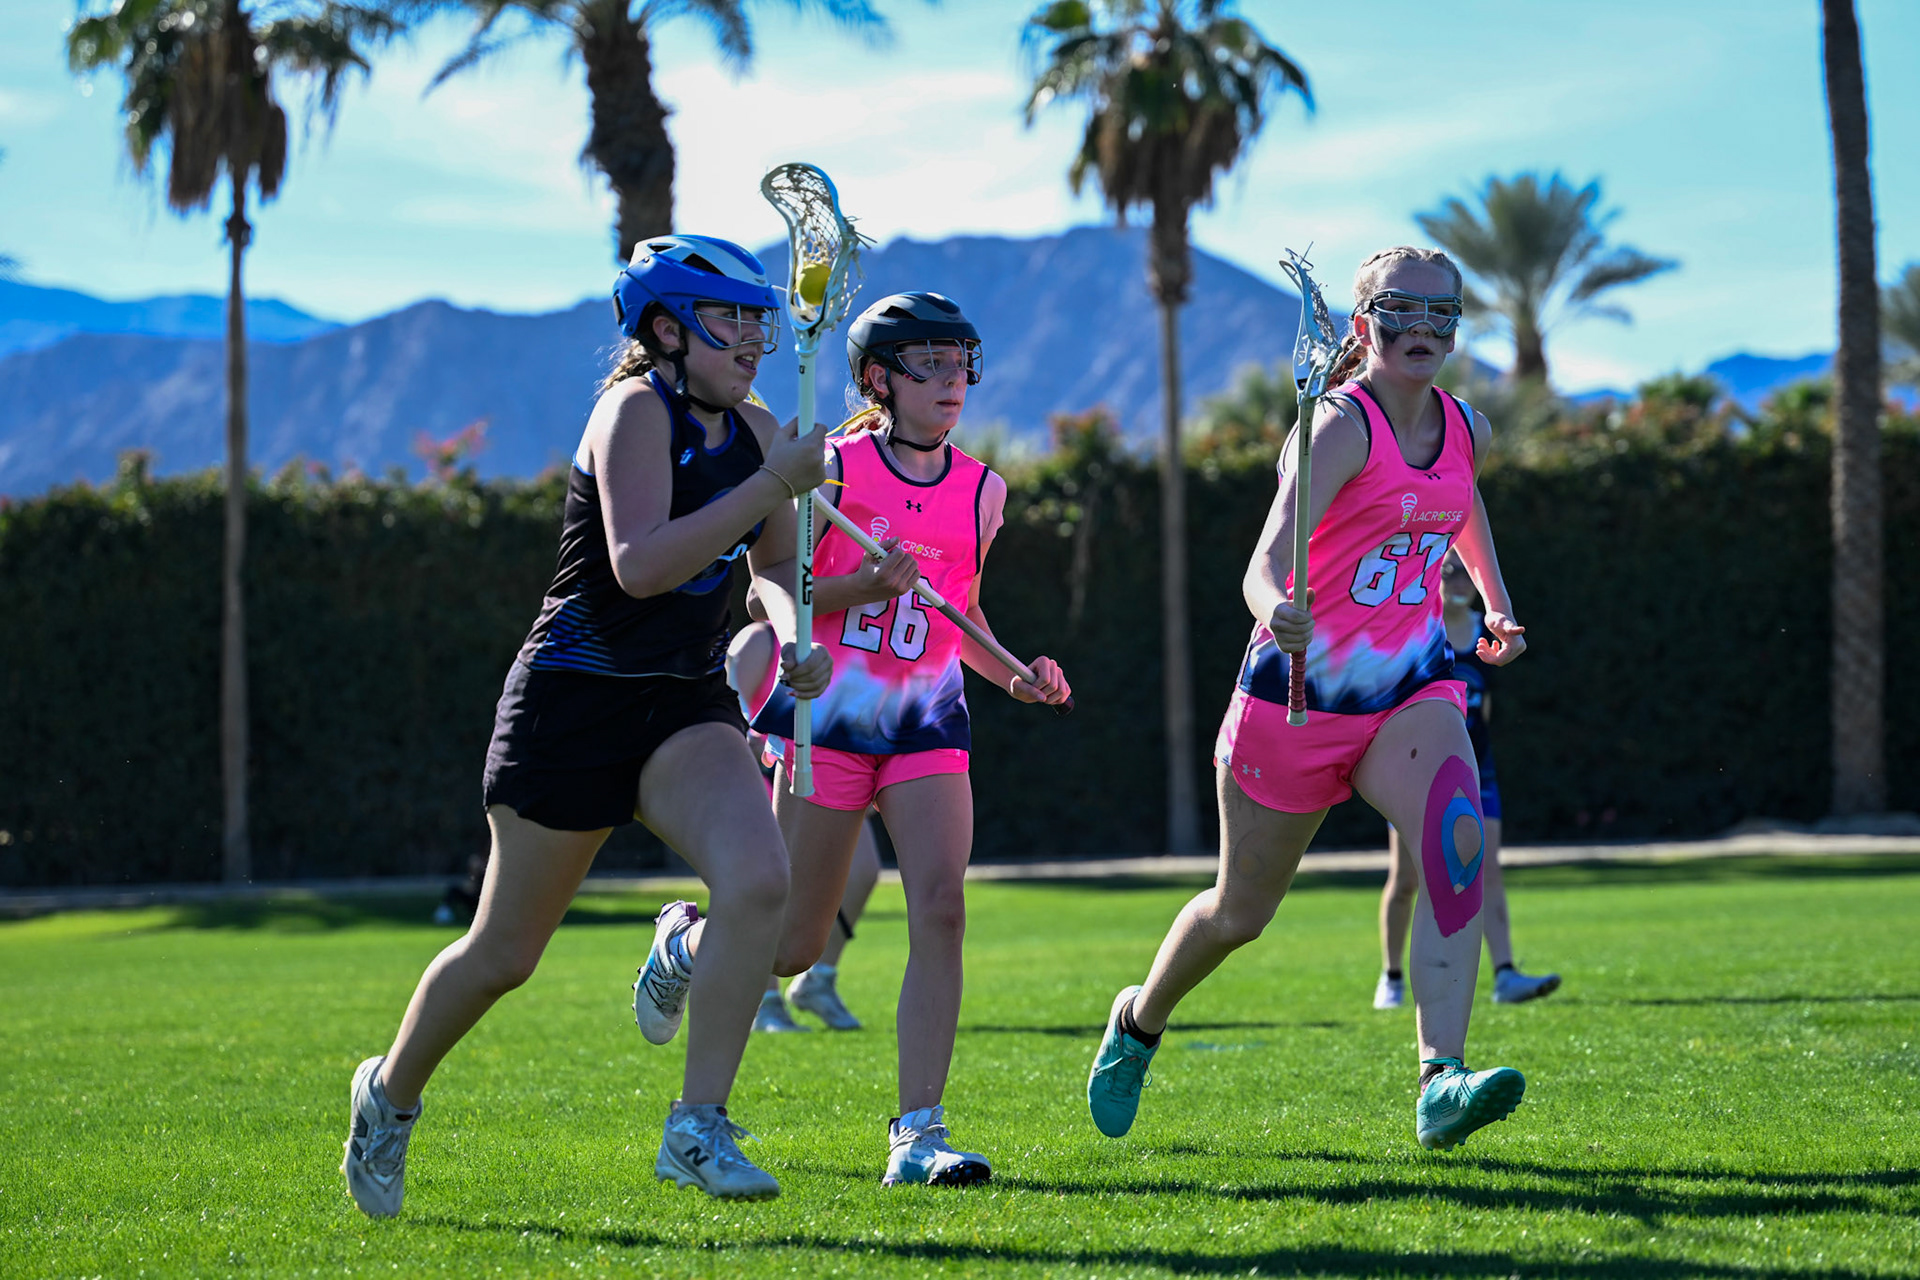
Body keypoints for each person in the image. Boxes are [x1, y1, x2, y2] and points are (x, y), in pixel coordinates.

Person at [341, 234, 832, 1214]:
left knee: (760, 879)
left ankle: (697, 1126)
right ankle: (387, 1095)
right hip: (573, 704)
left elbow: (774, 566)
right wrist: (773, 484)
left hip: (681, 701)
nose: (751, 338)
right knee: (504, 955)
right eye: (726, 319)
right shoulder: (631, 412)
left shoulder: (758, 429)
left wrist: (790, 635)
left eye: (757, 319)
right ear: (667, 331)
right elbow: (640, 563)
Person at [1085, 247, 1530, 1153]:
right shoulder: (1337, 427)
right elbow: (1265, 559)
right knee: (1239, 914)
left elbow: (1461, 503)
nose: (1423, 329)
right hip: (1295, 701)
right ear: (1364, 324)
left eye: (1442, 314)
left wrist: (1494, 599)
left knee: (1456, 839)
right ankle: (1138, 1019)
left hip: (1409, 686)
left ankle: (1440, 1078)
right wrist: (1273, 607)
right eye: (1402, 311)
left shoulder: (1467, 426)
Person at [638, 292, 1071, 1188]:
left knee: (941, 906)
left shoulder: (984, 491)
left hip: (927, 722)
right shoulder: (827, 470)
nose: (952, 381)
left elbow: (960, 613)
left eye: (961, 363)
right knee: (789, 947)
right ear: (879, 378)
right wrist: (858, 589)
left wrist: (1015, 673)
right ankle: (685, 942)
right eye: (929, 365)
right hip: (825, 721)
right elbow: (769, 584)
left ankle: (919, 1136)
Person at [1375, 553, 1559, 1010]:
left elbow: (1487, 710)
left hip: (1477, 771)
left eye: (1465, 573)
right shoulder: (1419, 626)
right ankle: (1391, 977)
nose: (1459, 581)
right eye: (1448, 572)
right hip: (1415, 771)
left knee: (1486, 871)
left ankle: (1506, 974)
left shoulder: (1488, 632)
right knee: (1406, 879)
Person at [723, 617, 881, 1034]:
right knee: (769, 886)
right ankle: (763, 999)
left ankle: (818, 979)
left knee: (863, 870)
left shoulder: (841, 633)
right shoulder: (758, 640)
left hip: (827, 772)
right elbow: (731, 719)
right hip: (765, 777)